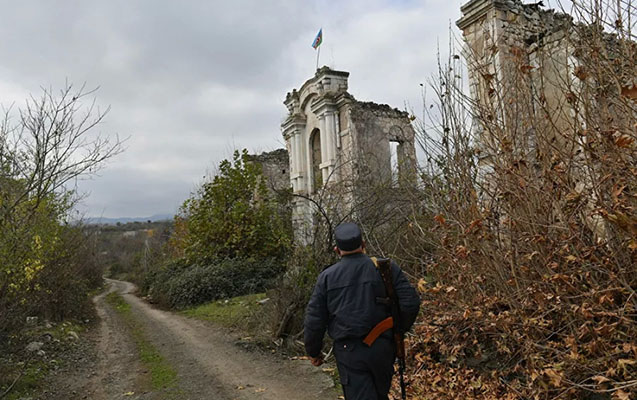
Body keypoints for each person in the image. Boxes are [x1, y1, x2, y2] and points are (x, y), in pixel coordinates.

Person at [304, 222, 420, 400]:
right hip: (383, 348)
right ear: (363, 245)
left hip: (349, 351)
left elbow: (314, 320)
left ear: (337, 250)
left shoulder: (327, 277)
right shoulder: (386, 268)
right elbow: (410, 303)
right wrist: (396, 330)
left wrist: (314, 351)